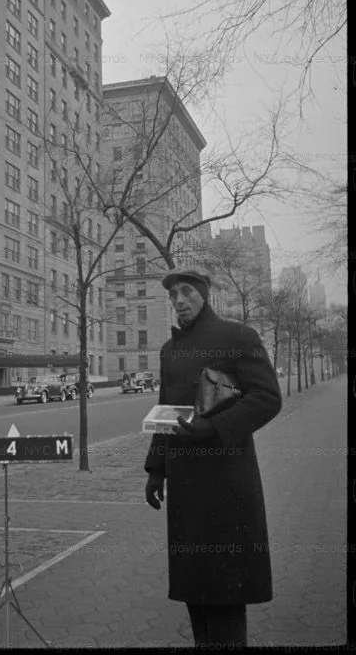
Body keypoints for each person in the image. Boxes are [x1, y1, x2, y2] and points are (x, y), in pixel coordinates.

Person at [144, 267, 282, 648]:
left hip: (227, 487)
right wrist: (156, 469)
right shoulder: (170, 350)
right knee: (196, 593)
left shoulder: (239, 337)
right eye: (173, 296)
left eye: (186, 292)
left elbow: (268, 398)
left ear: (204, 294)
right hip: (187, 491)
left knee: (225, 597)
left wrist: (214, 427)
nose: (179, 301)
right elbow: (165, 410)